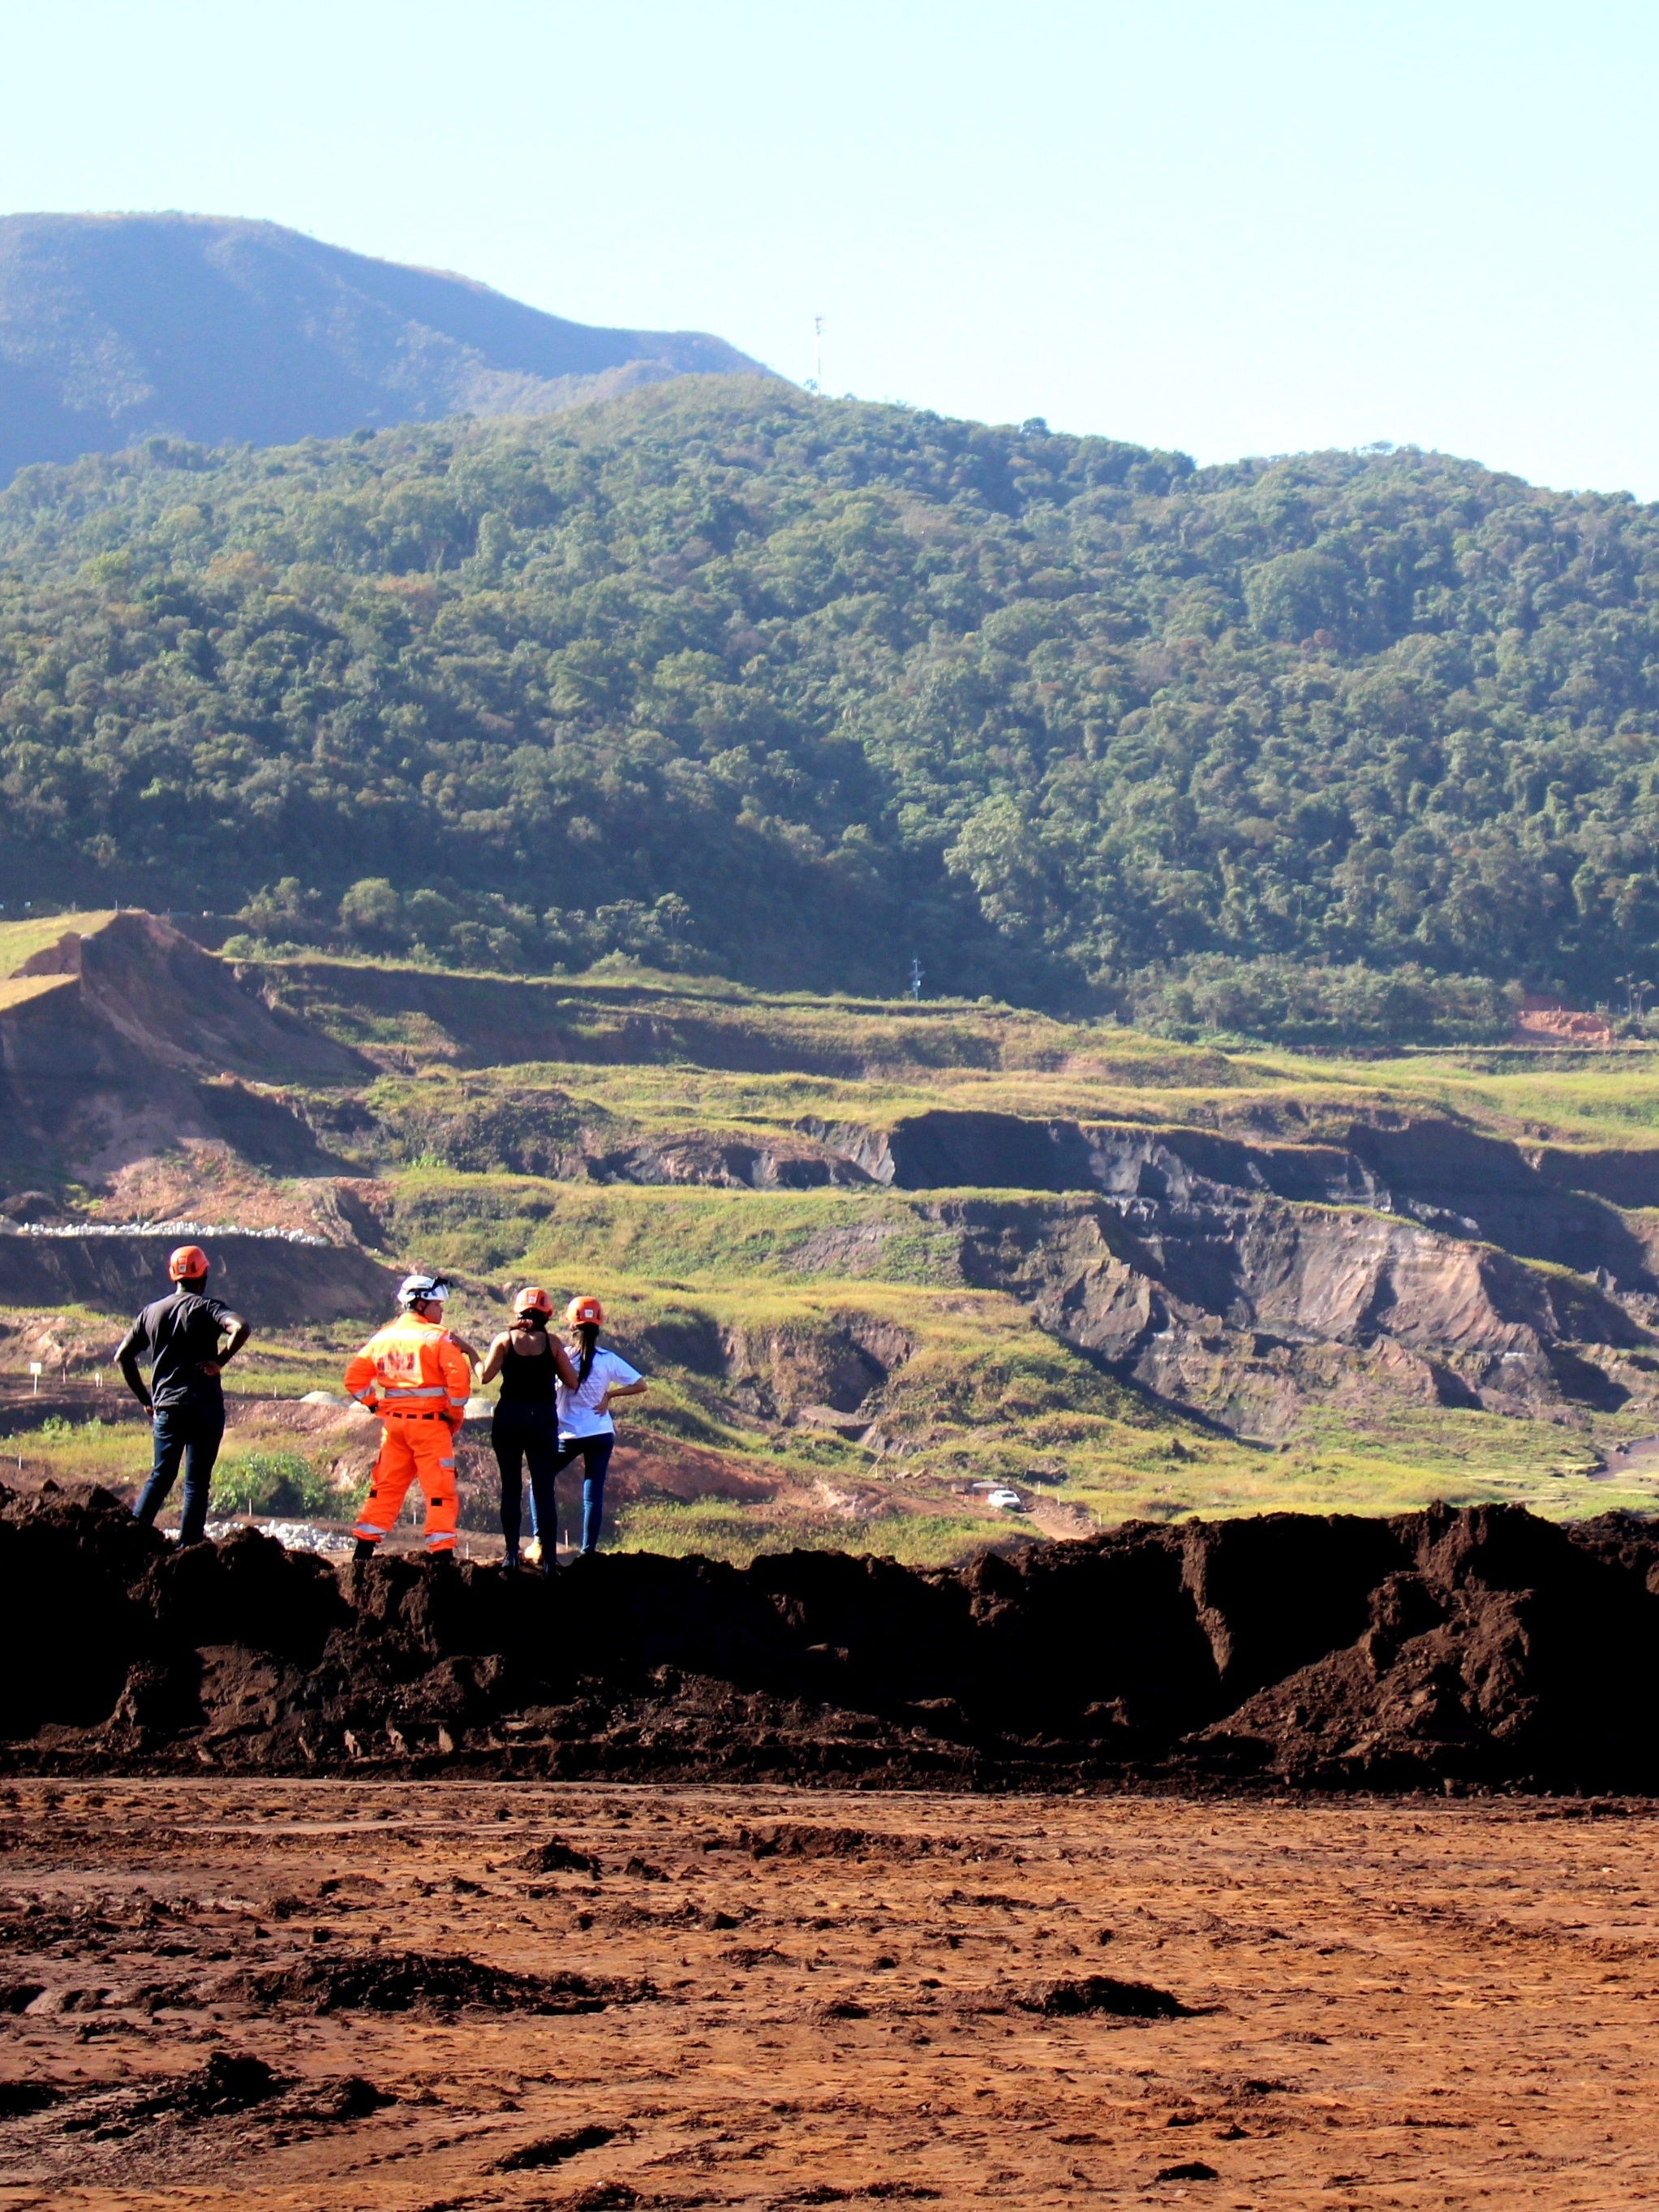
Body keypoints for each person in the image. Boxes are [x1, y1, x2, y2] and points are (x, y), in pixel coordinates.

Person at [118, 1244, 251, 1547]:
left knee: (161, 1476)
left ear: (172, 1275)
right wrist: (220, 1361)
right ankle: (188, 1549)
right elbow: (241, 1327)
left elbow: (123, 1356)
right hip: (205, 1407)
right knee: (196, 1484)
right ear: (204, 1273)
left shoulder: (151, 1312)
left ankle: (132, 1540)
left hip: (168, 1408)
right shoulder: (209, 1308)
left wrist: (145, 1398)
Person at [343, 1272, 471, 1560]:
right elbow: (459, 1382)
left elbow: (354, 1379)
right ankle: (441, 1558)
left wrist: (375, 1406)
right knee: (439, 1491)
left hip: (394, 1427)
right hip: (431, 1427)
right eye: (438, 1305)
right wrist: (453, 1415)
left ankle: (362, 1552)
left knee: (384, 1489)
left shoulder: (383, 1337)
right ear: (422, 1304)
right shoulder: (439, 1338)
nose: (441, 1311)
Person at [478, 1288, 577, 1572]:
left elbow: (484, 1376)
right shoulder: (553, 1344)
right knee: (545, 1489)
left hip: (509, 1416)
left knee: (511, 1488)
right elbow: (572, 1382)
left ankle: (511, 1555)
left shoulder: (505, 1340)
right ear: (547, 1315)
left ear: (518, 1313)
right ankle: (547, 1560)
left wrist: (472, 1355)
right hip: (542, 1420)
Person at [548, 1295, 645, 1556]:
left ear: (571, 1326)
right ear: (599, 1325)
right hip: (601, 1432)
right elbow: (641, 1384)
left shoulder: (562, 1358)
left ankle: (542, 1542)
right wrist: (610, 1395)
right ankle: (588, 1552)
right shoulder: (607, 1358)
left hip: (568, 1434)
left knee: (540, 1480)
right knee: (592, 1495)